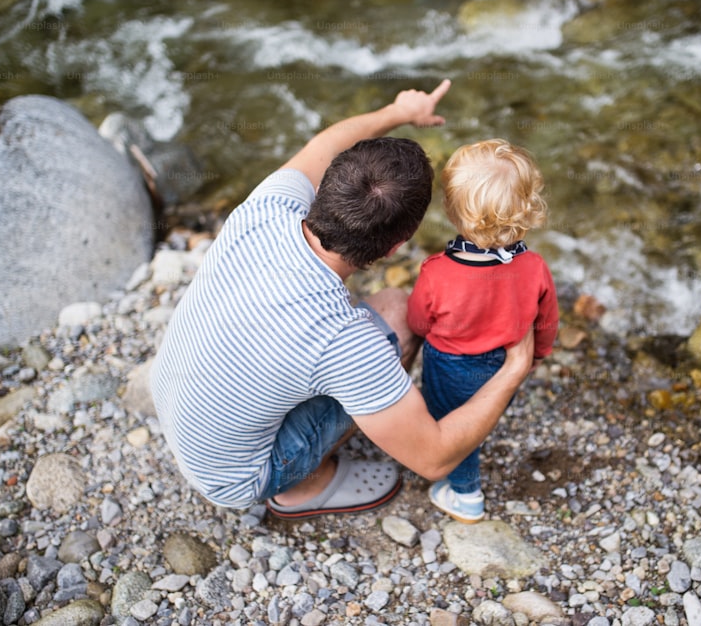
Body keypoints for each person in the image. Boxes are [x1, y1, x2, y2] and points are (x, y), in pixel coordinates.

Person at [150, 80, 536, 520]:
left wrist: (398, 110)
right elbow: (435, 458)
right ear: (395, 247)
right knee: (398, 313)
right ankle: (304, 488)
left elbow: (328, 140)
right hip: (233, 477)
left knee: (354, 339)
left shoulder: (267, 207)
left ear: (329, 180)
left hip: (173, 402)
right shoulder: (342, 340)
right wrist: (513, 370)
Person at [407, 139, 559, 523]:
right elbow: (546, 321)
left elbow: (418, 322)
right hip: (504, 363)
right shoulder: (535, 266)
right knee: (481, 417)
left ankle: (466, 494)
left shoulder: (438, 271)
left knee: (456, 429)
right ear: (526, 210)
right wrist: (537, 355)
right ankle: (465, 471)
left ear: (454, 213)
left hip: (450, 364)